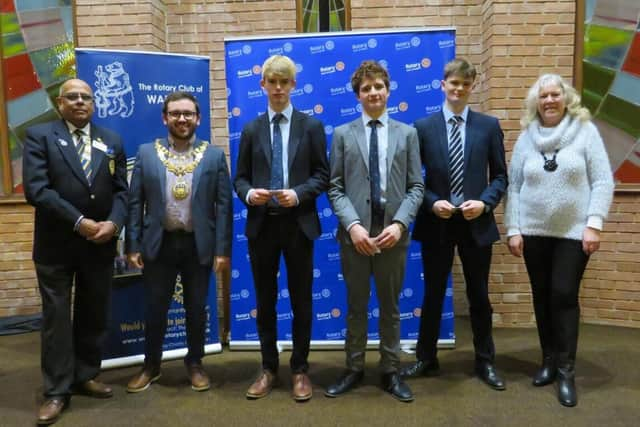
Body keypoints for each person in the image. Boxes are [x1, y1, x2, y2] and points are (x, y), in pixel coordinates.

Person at [23, 78, 128, 425]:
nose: (80, 101)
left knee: (93, 313)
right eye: (73, 97)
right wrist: (80, 221)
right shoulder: (40, 137)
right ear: (60, 103)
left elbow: (122, 192)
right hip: (57, 247)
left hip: (99, 244)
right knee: (56, 319)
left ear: (94, 103)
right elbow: (38, 191)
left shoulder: (110, 140)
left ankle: (85, 375)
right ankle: (56, 391)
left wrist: (113, 223)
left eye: (86, 97)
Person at [504, 74, 614, 407]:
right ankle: (548, 361)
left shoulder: (585, 132)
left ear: (566, 98)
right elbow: (514, 186)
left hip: (572, 233)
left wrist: (594, 224)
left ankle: (566, 371)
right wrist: (513, 228)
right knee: (541, 296)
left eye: (555, 94)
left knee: (563, 295)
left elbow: (603, 181)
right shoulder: (526, 138)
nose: (549, 100)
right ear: (535, 102)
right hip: (533, 233)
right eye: (543, 96)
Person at [403, 58, 508, 391]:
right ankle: (426, 358)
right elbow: (412, 179)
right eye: (453, 83)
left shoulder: (488, 126)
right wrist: (432, 202)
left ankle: (485, 362)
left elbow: (501, 176)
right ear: (443, 85)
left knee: (479, 295)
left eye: (465, 84)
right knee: (433, 293)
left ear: (471, 87)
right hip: (438, 223)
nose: (458, 89)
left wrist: (486, 202)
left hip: (476, 223)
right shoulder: (422, 127)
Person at [325, 60, 424, 402]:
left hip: (392, 238)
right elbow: (335, 187)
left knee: (391, 307)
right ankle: (353, 368)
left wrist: (400, 225)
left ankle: (390, 371)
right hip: (356, 239)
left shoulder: (407, 133)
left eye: (378, 86)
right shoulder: (341, 135)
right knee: (355, 306)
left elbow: (416, 187)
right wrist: (352, 227)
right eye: (366, 88)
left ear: (388, 90)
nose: (373, 93)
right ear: (358, 95)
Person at [234, 55, 329, 401]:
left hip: (298, 225)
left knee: (302, 301)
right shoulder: (250, 129)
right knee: (265, 299)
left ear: (293, 85)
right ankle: (269, 368)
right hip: (262, 226)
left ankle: (300, 369)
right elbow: (239, 178)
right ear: (262, 85)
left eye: (283, 82)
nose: (277, 88)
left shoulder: (312, 127)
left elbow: (322, 176)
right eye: (271, 82)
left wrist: (298, 193)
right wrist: (247, 193)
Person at [125, 91, 232, 393]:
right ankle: (151, 366)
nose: (182, 119)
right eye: (175, 113)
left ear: (198, 118)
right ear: (165, 118)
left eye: (188, 113)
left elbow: (223, 207)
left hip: (198, 244)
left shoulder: (213, 155)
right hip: (159, 244)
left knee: (196, 308)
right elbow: (136, 204)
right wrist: (132, 245)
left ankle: (195, 363)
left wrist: (222, 251)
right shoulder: (146, 153)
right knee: (155, 307)